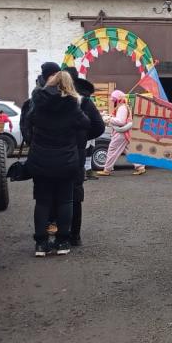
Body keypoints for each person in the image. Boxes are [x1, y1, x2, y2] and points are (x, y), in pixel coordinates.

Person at [26, 70, 90, 257]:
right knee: (65, 201)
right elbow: (86, 123)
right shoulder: (72, 105)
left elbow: (29, 122)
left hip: (41, 160)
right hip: (66, 161)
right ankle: (62, 242)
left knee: (42, 202)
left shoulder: (38, 102)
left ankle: (40, 244)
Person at [62, 66, 106, 247]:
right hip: (77, 153)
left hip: (58, 151)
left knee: (57, 192)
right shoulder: (85, 101)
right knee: (75, 193)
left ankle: (59, 232)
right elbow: (99, 126)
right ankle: (75, 236)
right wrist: (83, 137)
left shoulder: (54, 97)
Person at [98, 90, 146, 176]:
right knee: (129, 150)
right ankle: (140, 167)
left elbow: (120, 121)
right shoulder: (123, 107)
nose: (113, 101)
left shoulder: (122, 108)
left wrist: (109, 119)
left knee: (112, 150)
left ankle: (107, 170)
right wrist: (110, 117)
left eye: (114, 100)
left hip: (120, 133)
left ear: (117, 99)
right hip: (125, 133)